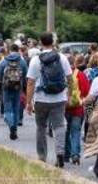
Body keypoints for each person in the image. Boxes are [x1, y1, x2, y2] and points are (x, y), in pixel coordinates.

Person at [24, 33, 71, 167]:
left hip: (41, 99)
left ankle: (42, 156)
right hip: (59, 98)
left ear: (40, 42)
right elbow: (69, 78)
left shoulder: (35, 60)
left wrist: (28, 102)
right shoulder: (62, 58)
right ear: (54, 42)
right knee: (59, 126)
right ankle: (60, 153)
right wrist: (69, 95)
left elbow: (31, 82)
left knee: (41, 127)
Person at [65, 54, 90, 164]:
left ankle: (66, 154)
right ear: (75, 63)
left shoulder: (62, 74)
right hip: (78, 108)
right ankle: (75, 154)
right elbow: (86, 91)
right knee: (76, 132)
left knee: (65, 131)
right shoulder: (81, 75)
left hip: (64, 107)